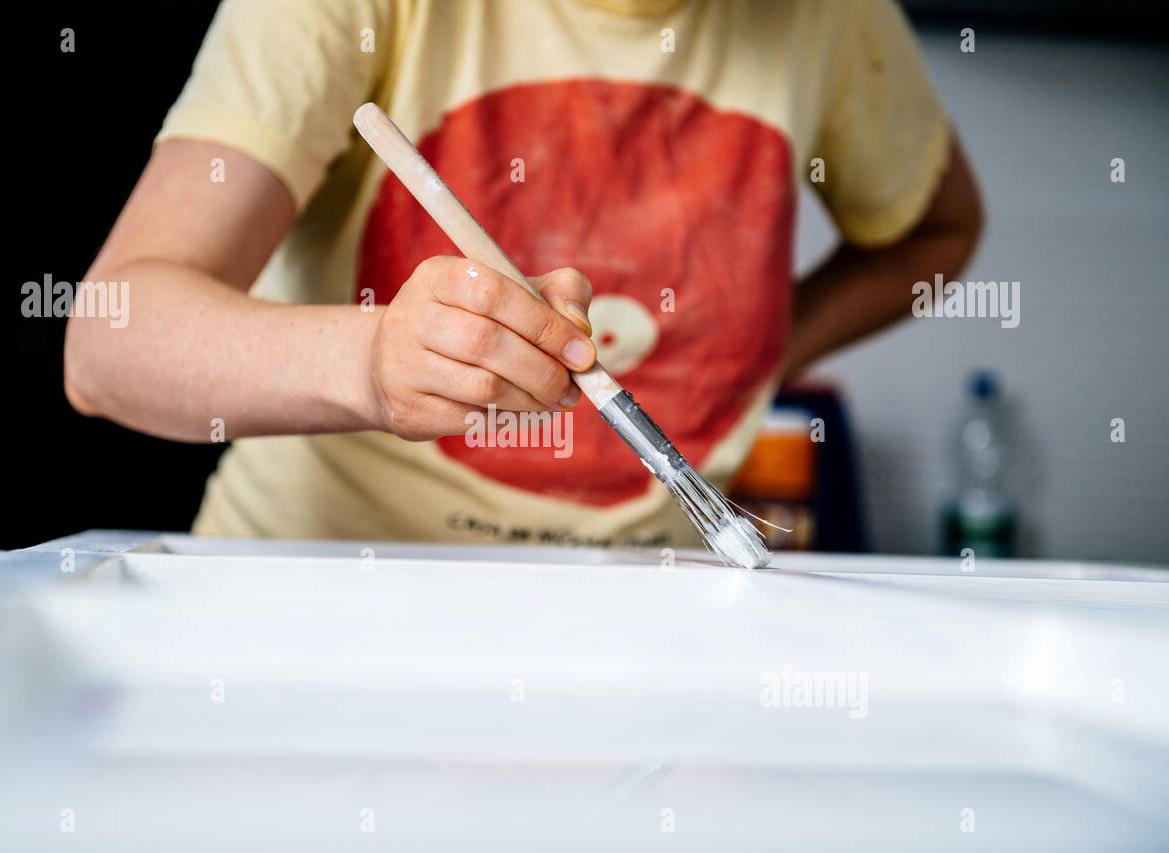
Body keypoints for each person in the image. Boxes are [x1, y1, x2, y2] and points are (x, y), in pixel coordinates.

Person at [65, 0, 982, 551]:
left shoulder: (828, 17)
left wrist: (761, 351)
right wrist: (373, 360)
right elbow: (111, 342)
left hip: (634, 632)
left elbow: (939, 228)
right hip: (311, 612)